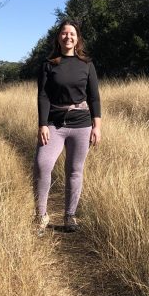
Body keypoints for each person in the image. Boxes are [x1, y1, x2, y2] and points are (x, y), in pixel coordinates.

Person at [33, 20, 102, 233]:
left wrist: (96, 126)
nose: (68, 37)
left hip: (81, 123)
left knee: (74, 170)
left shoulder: (87, 64)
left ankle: (70, 216)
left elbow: (94, 97)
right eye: (64, 33)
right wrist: (42, 124)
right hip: (54, 123)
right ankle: (41, 215)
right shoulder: (48, 64)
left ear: (77, 38)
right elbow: (43, 96)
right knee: (42, 164)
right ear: (58, 38)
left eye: (72, 34)